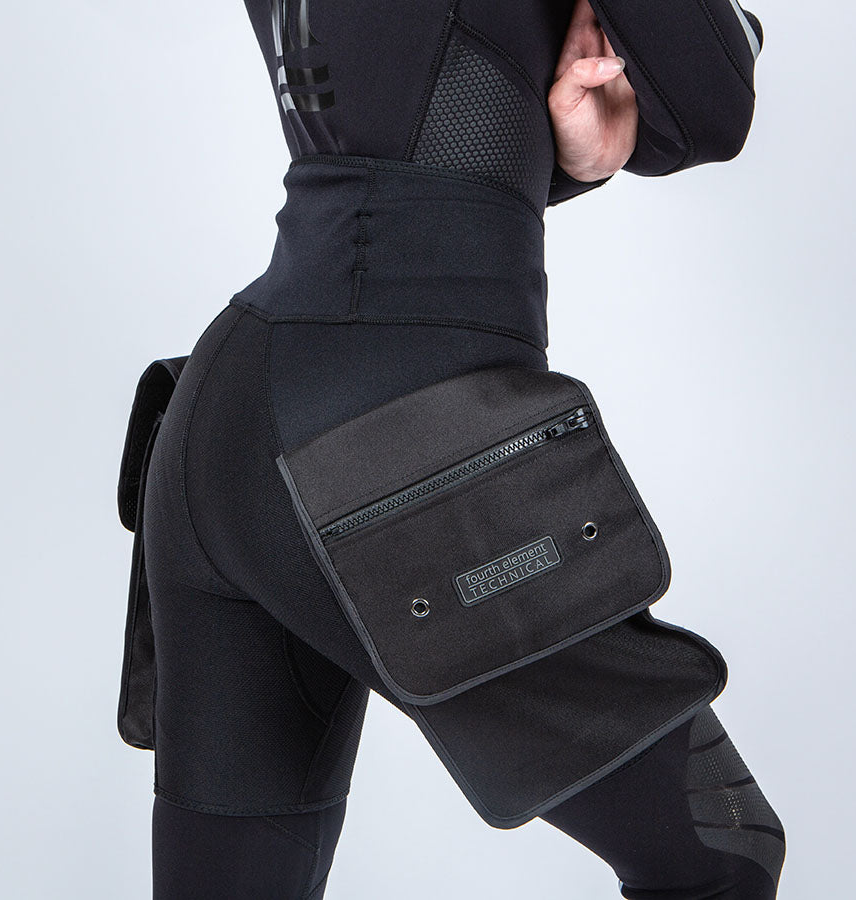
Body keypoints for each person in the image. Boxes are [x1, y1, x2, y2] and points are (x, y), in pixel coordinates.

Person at [137, 1, 786, 896]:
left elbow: (400, 101)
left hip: (230, 413)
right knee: (720, 850)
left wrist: (568, 147)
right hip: (388, 426)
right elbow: (711, 97)